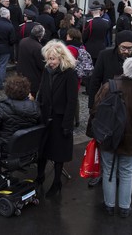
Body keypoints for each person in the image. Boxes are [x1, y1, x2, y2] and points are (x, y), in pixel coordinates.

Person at [91, 58, 132, 218]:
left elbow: (95, 110)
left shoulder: (108, 87)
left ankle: (109, 205)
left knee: (108, 171)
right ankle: (125, 207)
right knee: (127, 172)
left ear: (124, 69)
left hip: (108, 136)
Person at [36, 40, 78, 198]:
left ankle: (56, 182)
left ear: (61, 58)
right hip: (45, 116)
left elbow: (71, 101)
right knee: (42, 150)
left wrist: (67, 124)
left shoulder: (70, 73)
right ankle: (39, 177)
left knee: (58, 153)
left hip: (61, 119)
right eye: (48, 59)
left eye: (53, 59)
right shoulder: (46, 70)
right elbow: (42, 89)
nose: (50, 62)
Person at [0, 7, 16, 90]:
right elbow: (12, 40)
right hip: (5, 48)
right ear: (8, 16)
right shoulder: (9, 25)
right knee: (2, 66)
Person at [16, 24, 45, 96]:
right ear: (41, 35)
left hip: (21, 73)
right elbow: (41, 65)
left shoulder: (23, 41)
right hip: (33, 77)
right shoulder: (38, 47)